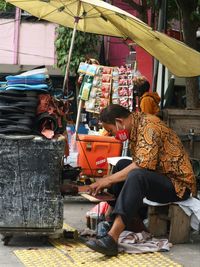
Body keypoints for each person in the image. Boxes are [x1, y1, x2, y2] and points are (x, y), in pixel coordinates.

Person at [85, 104, 196, 256]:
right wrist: (109, 180)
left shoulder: (149, 126)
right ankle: (111, 221)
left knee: (136, 175)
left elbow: (143, 165)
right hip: (160, 178)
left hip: (179, 186)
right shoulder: (136, 125)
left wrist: (107, 180)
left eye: (111, 130)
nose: (114, 135)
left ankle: (112, 238)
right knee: (121, 165)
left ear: (119, 121)